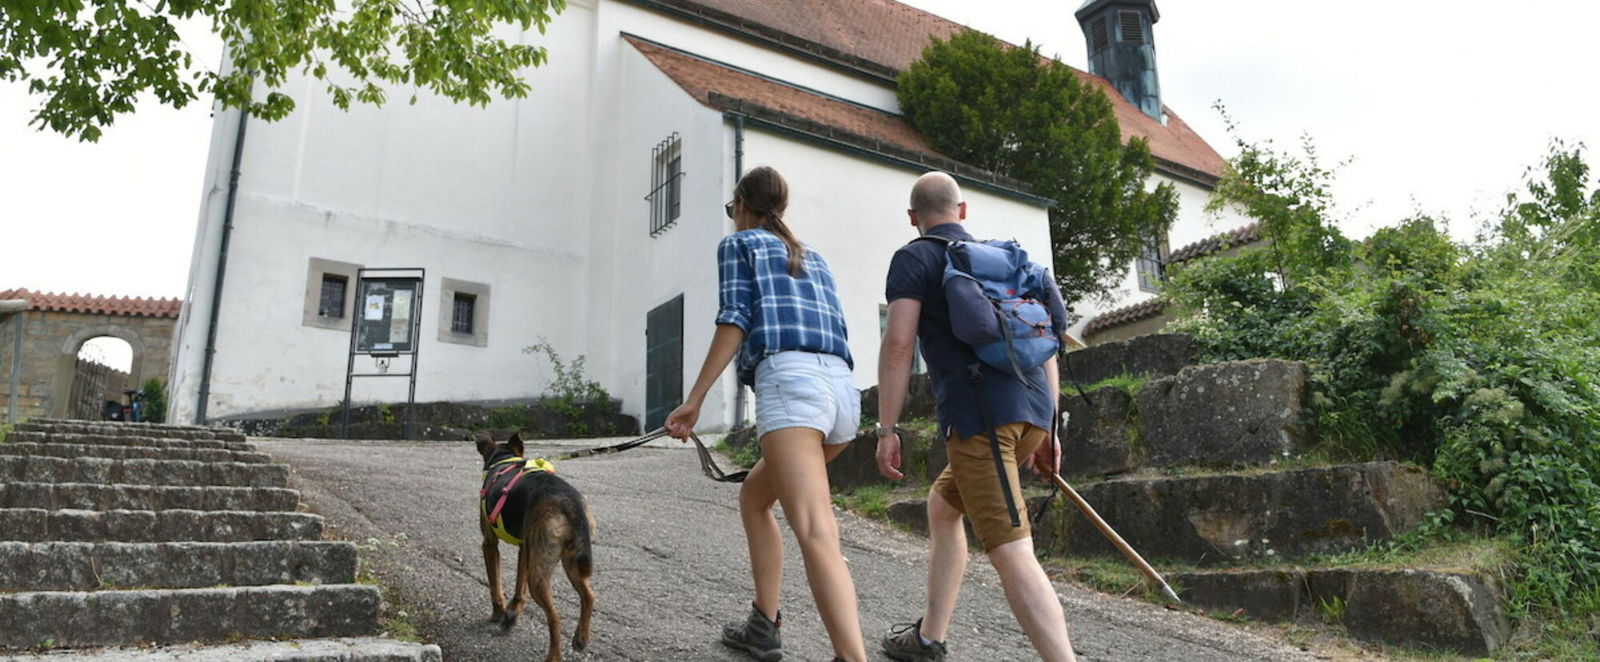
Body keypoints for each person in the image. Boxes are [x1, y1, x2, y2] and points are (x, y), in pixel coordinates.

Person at [665, 166, 868, 662]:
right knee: (755, 498)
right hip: (843, 394)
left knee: (817, 530)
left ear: (742, 205)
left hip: (793, 388)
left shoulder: (739, 244)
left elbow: (734, 319)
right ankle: (763, 623)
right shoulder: (815, 257)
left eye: (732, 208)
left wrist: (694, 399)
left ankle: (852, 657)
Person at [875, 171, 1078, 662]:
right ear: (962, 211)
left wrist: (887, 428)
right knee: (943, 507)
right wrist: (1048, 426)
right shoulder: (1002, 259)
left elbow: (899, 344)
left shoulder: (914, 257)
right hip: (1031, 412)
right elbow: (1046, 343)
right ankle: (928, 639)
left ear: (913, 218)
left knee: (1011, 549)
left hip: (982, 420)